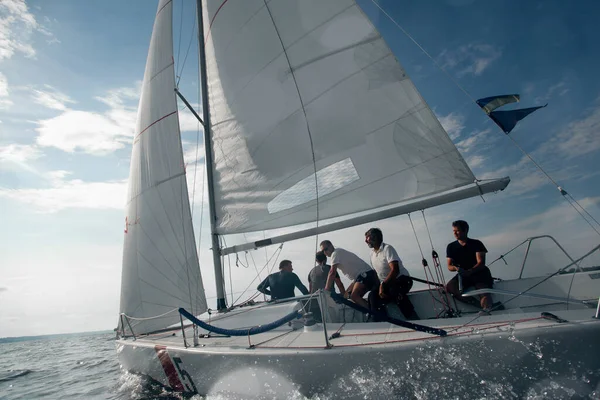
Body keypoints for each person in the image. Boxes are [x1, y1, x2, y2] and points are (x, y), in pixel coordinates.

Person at [365, 228, 419, 320]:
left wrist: (383, 285)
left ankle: (414, 319)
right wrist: (378, 287)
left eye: (367, 238)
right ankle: (381, 321)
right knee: (372, 295)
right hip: (387, 284)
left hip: (402, 280)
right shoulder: (372, 254)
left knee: (394, 290)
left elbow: (395, 270)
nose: (365, 241)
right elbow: (376, 273)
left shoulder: (387, 249)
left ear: (375, 237)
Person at [445, 220, 495, 313]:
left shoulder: (476, 243)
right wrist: (456, 268)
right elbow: (449, 266)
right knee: (450, 287)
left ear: (465, 230)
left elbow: (481, 263)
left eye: (457, 230)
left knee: (483, 291)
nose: (455, 233)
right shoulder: (451, 247)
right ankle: (476, 304)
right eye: (453, 231)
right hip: (463, 274)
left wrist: (470, 271)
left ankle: (488, 309)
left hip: (479, 273)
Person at [320, 240, 378, 310]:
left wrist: (326, 289)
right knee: (346, 297)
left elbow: (332, 272)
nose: (325, 252)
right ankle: (370, 309)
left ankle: (374, 315)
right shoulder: (338, 252)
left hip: (365, 274)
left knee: (354, 296)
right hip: (360, 276)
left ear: (331, 246)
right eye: (323, 251)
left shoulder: (335, 253)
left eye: (326, 249)